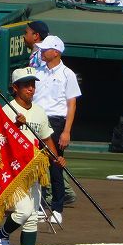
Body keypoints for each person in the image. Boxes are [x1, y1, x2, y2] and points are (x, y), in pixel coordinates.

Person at [0, 67, 67, 245]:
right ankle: (1, 234)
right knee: (24, 211)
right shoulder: (7, 109)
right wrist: (15, 124)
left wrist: (56, 157)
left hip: (32, 171)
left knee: (32, 217)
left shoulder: (39, 111)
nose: (31, 89)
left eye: (33, 84)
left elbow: (47, 138)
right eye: (26, 85)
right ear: (15, 88)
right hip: (12, 171)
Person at [33, 35, 80, 225]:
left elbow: (72, 103)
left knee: (55, 166)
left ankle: (57, 208)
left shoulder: (67, 74)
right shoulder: (38, 71)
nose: (42, 52)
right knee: (36, 166)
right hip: (36, 119)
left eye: (45, 49)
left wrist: (66, 131)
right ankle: (38, 206)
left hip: (56, 122)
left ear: (56, 52)